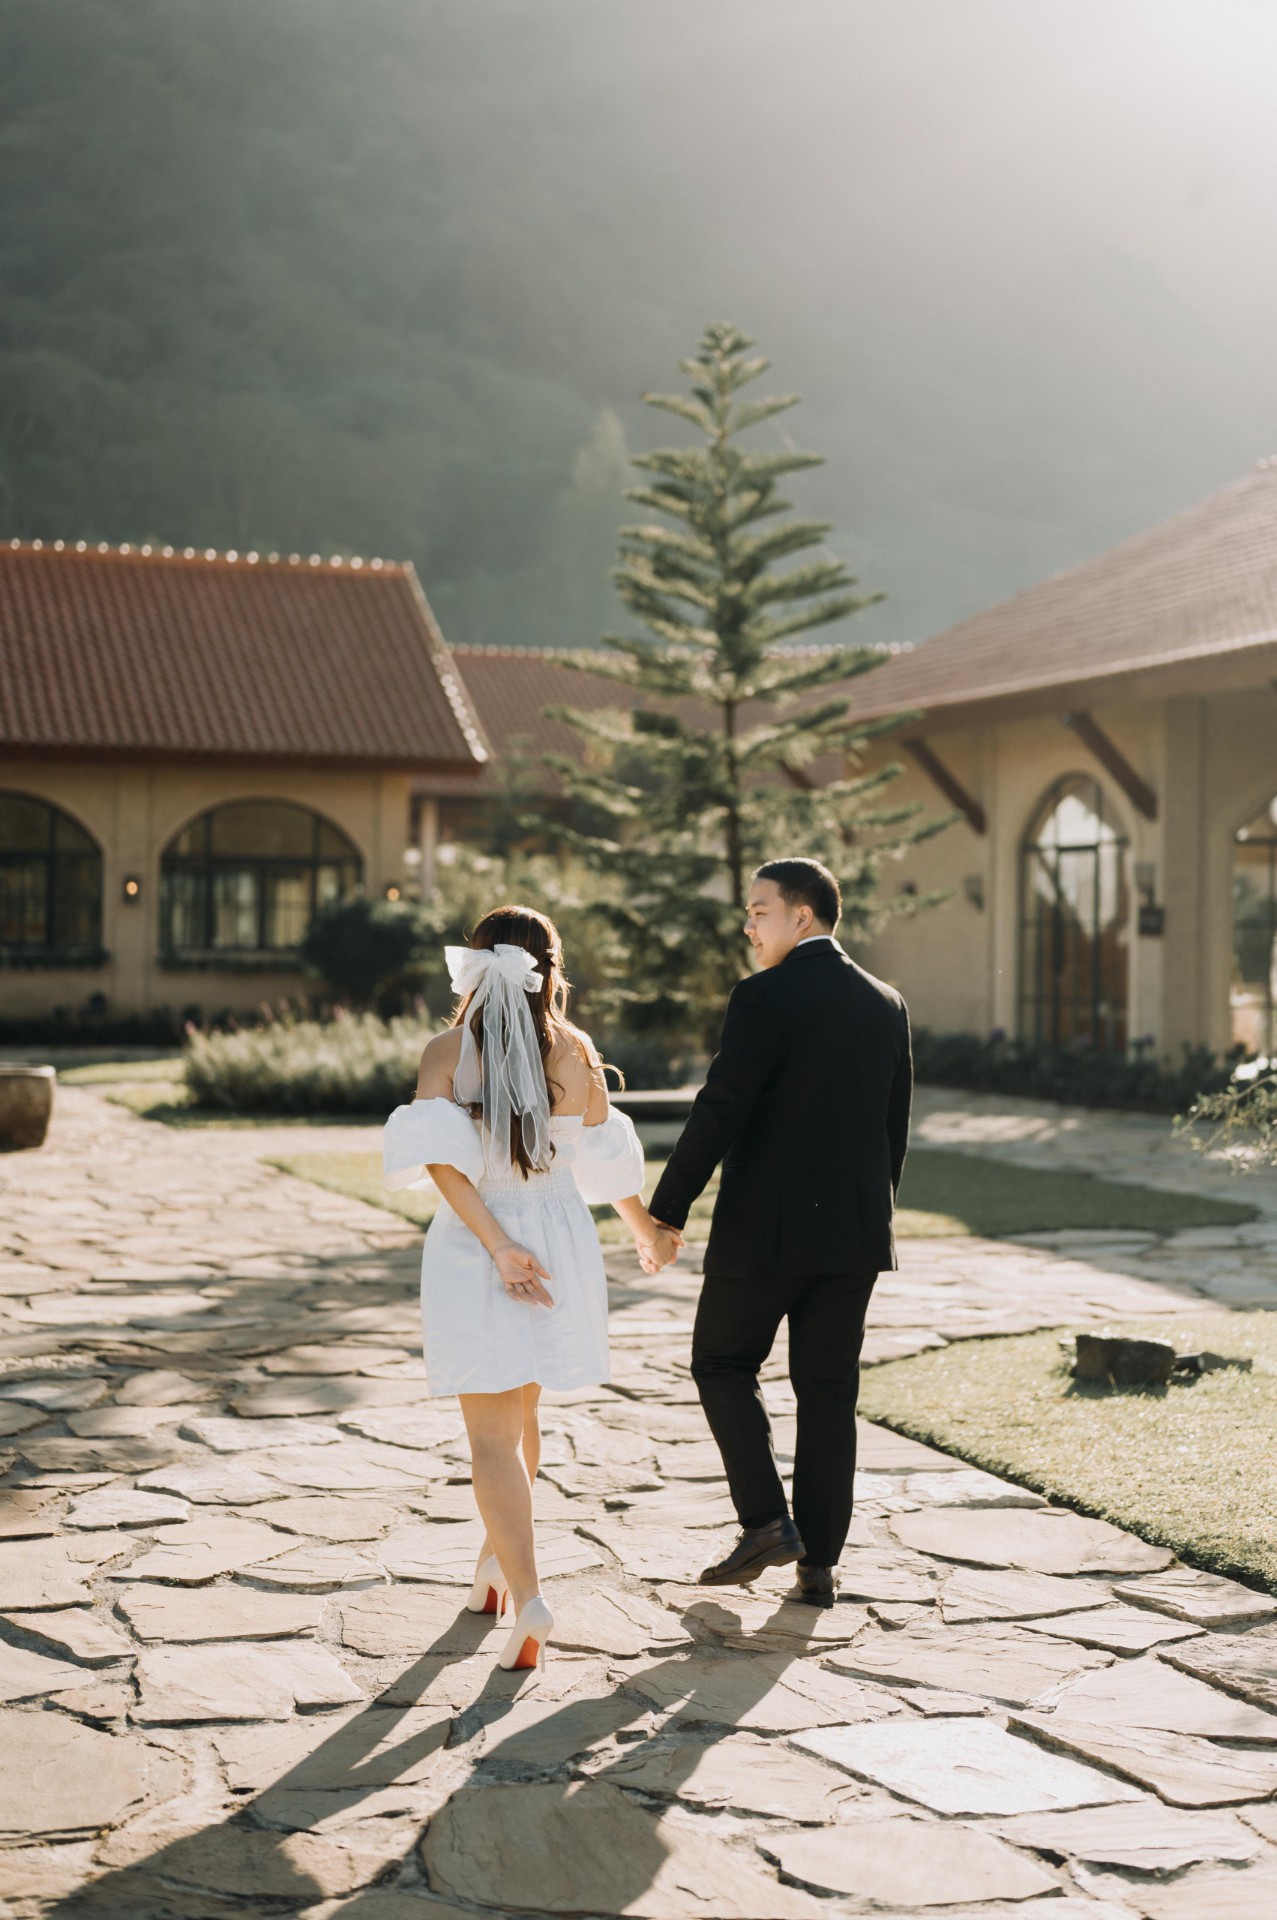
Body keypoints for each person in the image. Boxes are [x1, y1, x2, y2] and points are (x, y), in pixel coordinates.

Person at [382, 905, 677, 1670]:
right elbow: (606, 1163)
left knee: (490, 1436)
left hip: (481, 1241)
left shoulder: (449, 1051)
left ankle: (529, 1596)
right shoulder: (575, 1050)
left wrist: (498, 1246)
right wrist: (645, 1232)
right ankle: (494, 1566)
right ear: (551, 967)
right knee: (521, 1419)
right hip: (556, 1238)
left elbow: (443, 1163)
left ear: (476, 963)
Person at [648, 856, 911, 1607]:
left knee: (721, 1362)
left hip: (765, 1233)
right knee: (828, 1393)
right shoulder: (886, 1001)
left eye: (759, 910)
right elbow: (892, 1129)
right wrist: (870, 1215)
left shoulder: (762, 996)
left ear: (802, 915)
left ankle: (766, 1522)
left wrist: (667, 1210)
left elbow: (720, 1108)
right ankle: (818, 1566)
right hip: (855, 1235)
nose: (748, 925)